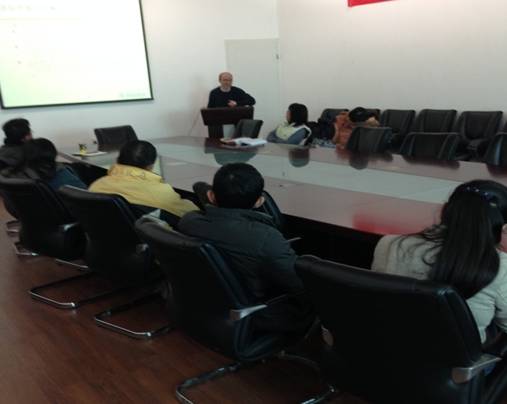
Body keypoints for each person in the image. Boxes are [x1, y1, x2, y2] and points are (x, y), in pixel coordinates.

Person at [179, 163, 314, 335]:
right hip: (257, 311)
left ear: (211, 196)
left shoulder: (189, 221)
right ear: (259, 202)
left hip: (204, 303)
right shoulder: (265, 237)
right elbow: (299, 284)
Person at [371, 180, 507, 343]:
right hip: (457, 357)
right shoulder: (499, 265)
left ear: (444, 209)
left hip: (387, 345)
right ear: (504, 227)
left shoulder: (389, 244)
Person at [89, 140, 198, 220]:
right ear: (151, 165)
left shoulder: (97, 185)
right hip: (151, 239)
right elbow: (193, 214)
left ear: (118, 160)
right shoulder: (159, 192)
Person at [0, 138, 86, 191]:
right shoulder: (59, 174)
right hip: (70, 211)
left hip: (30, 211)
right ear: (52, 154)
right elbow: (85, 195)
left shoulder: (11, 173)